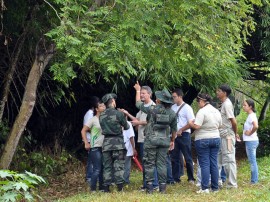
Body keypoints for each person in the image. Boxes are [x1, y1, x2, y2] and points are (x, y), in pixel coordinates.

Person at [134, 82, 177, 193]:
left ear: (159, 101)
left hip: (151, 140)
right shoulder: (172, 114)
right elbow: (174, 131)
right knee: (161, 163)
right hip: (164, 141)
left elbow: (138, 104)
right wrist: (172, 141)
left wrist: (138, 91)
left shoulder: (152, 109)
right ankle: (162, 189)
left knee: (149, 163)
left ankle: (149, 188)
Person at [122, 86, 159, 191]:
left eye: (143, 93)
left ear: (150, 94)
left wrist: (139, 123)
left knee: (151, 162)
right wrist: (127, 114)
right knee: (144, 162)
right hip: (142, 138)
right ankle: (146, 184)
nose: (142, 95)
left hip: (150, 139)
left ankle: (154, 184)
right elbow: (137, 119)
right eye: (141, 93)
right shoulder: (142, 107)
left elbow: (152, 121)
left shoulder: (153, 107)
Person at [189, 93, 222, 193]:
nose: (198, 103)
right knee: (214, 163)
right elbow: (220, 125)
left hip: (203, 139)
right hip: (216, 138)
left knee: (204, 164)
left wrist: (191, 123)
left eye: (198, 101)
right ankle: (215, 187)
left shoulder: (202, 111)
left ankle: (204, 188)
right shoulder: (216, 111)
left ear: (203, 101)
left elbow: (197, 126)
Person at [99, 93, 130, 192]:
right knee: (119, 165)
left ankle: (106, 188)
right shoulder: (118, 114)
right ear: (112, 101)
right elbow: (127, 127)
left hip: (106, 143)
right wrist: (124, 116)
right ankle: (120, 188)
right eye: (114, 101)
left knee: (107, 166)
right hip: (118, 143)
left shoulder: (101, 115)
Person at [171, 88, 196, 183]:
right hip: (174, 134)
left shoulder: (187, 108)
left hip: (184, 134)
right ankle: (175, 177)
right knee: (174, 156)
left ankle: (190, 177)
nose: (173, 98)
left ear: (180, 97)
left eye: (174, 97)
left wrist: (182, 129)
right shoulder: (173, 107)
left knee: (187, 156)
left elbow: (191, 122)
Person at [216, 84, 239, 188]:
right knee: (219, 159)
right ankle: (219, 181)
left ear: (224, 93)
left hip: (228, 136)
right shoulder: (223, 103)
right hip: (222, 135)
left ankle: (232, 184)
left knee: (229, 159)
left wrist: (235, 133)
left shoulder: (227, 104)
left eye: (219, 91)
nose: (217, 92)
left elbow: (233, 121)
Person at [81, 100, 106, 191]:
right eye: (101, 106)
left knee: (102, 168)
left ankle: (102, 188)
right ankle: (93, 189)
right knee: (97, 169)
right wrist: (86, 143)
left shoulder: (105, 119)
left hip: (104, 147)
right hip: (95, 147)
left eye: (104, 106)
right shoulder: (93, 120)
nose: (103, 107)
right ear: (96, 109)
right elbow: (83, 130)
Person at [83, 96, 99, 184]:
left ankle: (92, 177)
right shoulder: (89, 113)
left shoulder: (92, 113)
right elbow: (87, 127)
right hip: (90, 139)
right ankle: (89, 177)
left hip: (93, 139)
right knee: (92, 159)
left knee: (94, 159)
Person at [242, 99, 259, 184]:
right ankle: (254, 179)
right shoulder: (250, 115)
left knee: (252, 161)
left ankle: (254, 181)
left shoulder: (251, 115)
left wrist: (250, 133)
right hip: (251, 141)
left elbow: (256, 126)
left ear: (250, 107)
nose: (243, 107)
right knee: (252, 160)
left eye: (245, 105)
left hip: (251, 141)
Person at [122, 119, 137, 184]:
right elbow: (131, 137)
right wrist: (133, 148)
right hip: (127, 147)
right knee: (126, 165)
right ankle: (125, 181)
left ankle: (117, 180)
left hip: (116, 146)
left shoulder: (114, 121)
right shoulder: (128, 123)